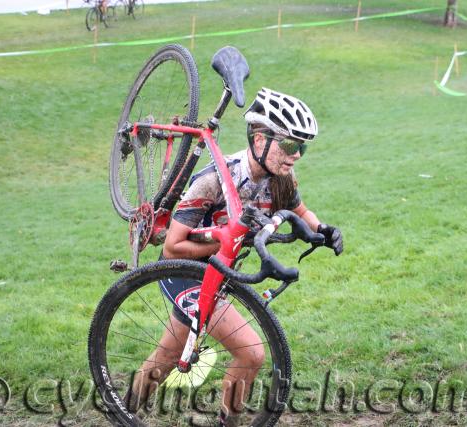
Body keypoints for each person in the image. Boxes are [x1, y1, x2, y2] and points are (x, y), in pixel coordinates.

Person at [126, 88, 343, 426]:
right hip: (185, 272)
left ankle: (122, 410)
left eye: (302, 147)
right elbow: (172, 248)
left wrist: (324, 229)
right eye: (289, 145)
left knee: (167, 357)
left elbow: (299, 210)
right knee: (251, 352)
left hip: (219, 275)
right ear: (259, 140)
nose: (296, 155)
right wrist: (228, 240)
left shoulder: (281, 180)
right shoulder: (212, 181)